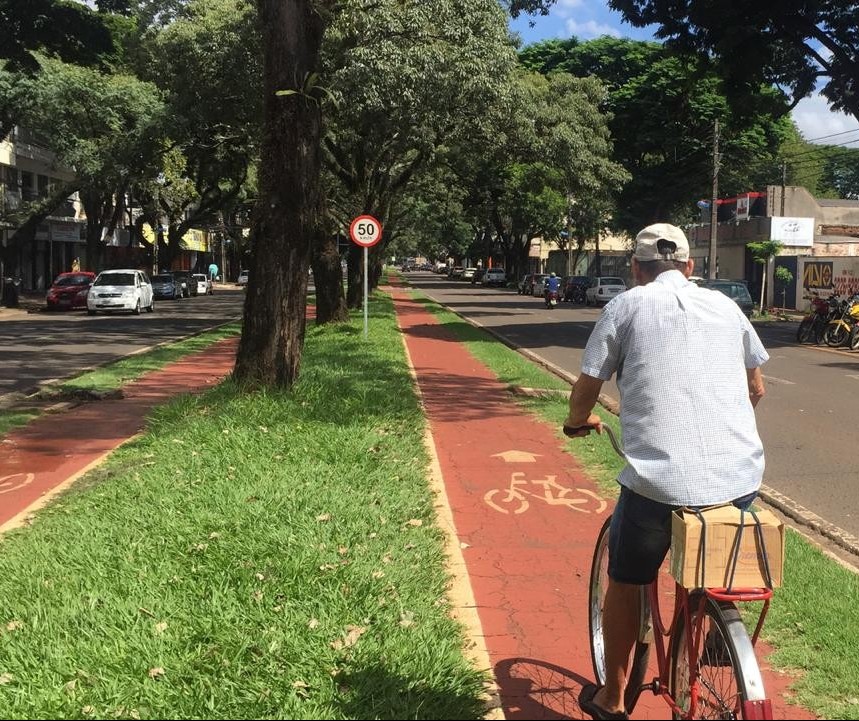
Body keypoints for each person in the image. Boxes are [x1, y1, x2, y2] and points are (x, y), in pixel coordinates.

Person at [564, 223, 768, 721]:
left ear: (636, 269)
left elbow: (587, 386)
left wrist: (576, 423)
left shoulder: (626, 306)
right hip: (738, 479)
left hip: (656, 486)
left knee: (628, 579)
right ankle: (717, 643)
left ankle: (612, 699)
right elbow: (757, 388)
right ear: (691, 268)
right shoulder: (727, 306)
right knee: (714, 568)